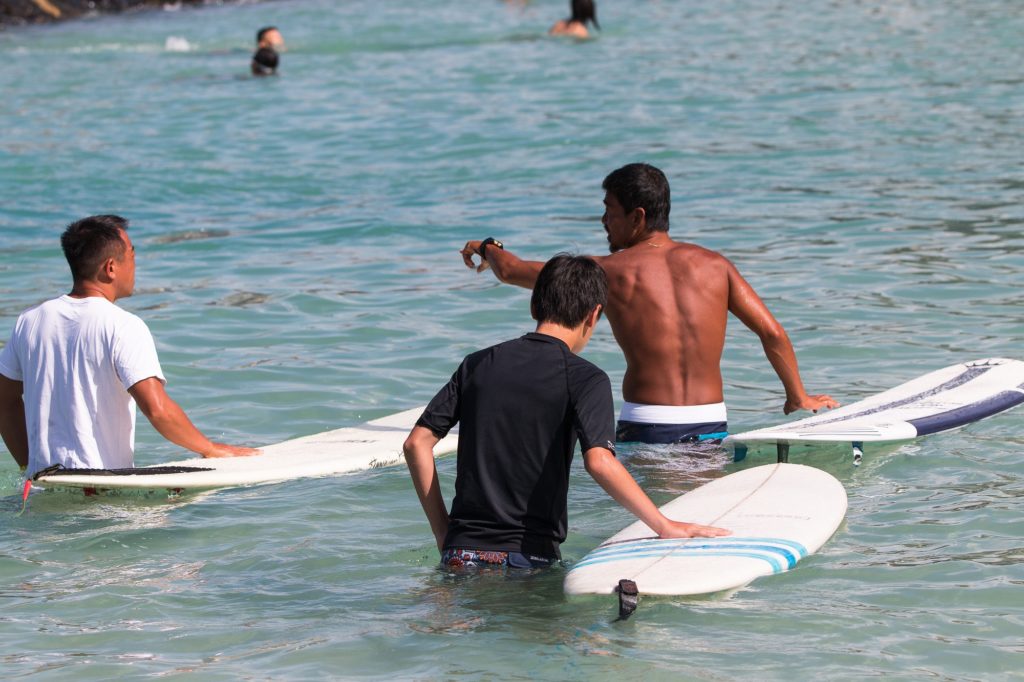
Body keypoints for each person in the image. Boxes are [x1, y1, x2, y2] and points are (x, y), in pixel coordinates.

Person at [459, 163, 838, 445]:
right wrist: (797, 396)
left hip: (646, 425)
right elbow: (772, 333)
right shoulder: (715, 265)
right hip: (711, 424)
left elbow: (513, 272)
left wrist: (487, 246)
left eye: (610, 210)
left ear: (637, 217)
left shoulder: (607, 270)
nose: (603, 219)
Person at [403, 254, 729, 571]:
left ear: (534, 305)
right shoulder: (585, 378)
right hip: (529, 558)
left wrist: (444, 533)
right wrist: (664, 524)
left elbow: (416, 444)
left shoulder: (476, 364)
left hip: (461, 555)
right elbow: (600, 461)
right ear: (594, 315)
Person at [0, 215, 260, 477]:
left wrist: (30, 467)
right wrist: (211, 448)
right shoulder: (123, 326)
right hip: (102, 493)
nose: (135, 264)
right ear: (111, 267)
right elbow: (158, 410)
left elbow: (4, 402)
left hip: (43, 488)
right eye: (133, 255)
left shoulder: (29, 321)